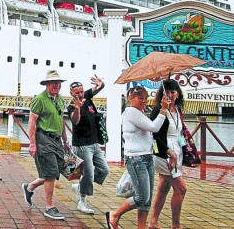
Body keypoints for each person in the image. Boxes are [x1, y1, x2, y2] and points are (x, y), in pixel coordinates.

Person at [107, 86, 168, 229]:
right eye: (140, 98)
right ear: (131, 99)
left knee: (147, 200)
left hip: (147, 157)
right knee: (142, 197)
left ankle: (141, 226)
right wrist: (163, 110)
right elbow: (154, 127)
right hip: (136, 159)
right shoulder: (131, 112)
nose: (144, 101)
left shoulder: (139, 112)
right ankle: (115, 215)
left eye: (146, 98)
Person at [21, 70, 68, 221]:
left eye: (58, 82)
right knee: (50, 173)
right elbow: (32, 121)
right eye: (54, 82)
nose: (57, 85)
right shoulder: (40, 99)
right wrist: (32, 144)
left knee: (54, 171)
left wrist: (65, 141)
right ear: (47, 84)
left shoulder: (60, 100)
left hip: (56, 140)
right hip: (44, 138)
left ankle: (29, 187)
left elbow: (61, 121)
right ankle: (49, 207)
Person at [148, 79, 188, 229]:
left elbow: (179, 133)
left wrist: (185, 149)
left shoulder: (177, 110)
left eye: (173, 92)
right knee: (181, 189)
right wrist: (168, 152)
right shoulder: (159, 109)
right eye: (167, 92)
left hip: (177, 150)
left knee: (164, 187)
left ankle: (153, 222)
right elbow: (154, 136)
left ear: (178, 94)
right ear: (162, 94)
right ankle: (175, 225)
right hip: (164, 152)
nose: (170, 95)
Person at [66, 76, 109, 214]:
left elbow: (99, 88)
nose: (80, 94)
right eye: (76, 93)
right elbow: (75, 121)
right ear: (71, 94)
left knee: (104, 170)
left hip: (95, 142)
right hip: (82, 145)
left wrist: (101, 84)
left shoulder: (87, 97)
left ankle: (80, 187)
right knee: (88, 175)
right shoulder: (72, 106)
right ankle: (82, 202)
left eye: (81, 91)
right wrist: (77, 109)